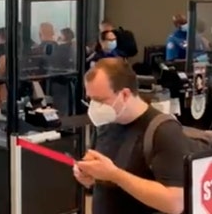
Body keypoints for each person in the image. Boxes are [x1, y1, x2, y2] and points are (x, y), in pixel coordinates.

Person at [74, 58, 186, 214]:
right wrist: (91, 176)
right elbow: (105, 181)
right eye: (90, 99)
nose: (94, 107)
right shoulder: (105, 124)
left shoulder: (163, 131)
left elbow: (174, 203)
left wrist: (115, 175)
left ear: (125, 94)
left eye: (100, 100)